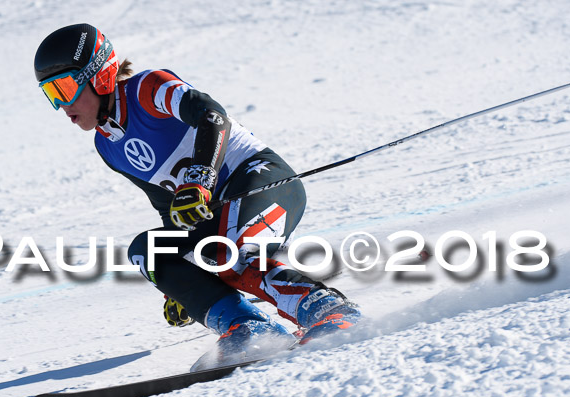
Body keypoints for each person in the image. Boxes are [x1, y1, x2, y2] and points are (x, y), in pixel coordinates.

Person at [33, 23, 361, 364]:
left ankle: (327, 308)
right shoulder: (107, 146)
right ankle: (249, 329)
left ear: (99, 76)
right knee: (148, 252)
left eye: (65, 88)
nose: (62, 105)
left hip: (264, 181)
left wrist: (200, 178)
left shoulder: (148, 87)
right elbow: (170, 208)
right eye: (51, 94)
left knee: (226, 253)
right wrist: (185, 284)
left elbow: (213, 117)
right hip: (217, 213)